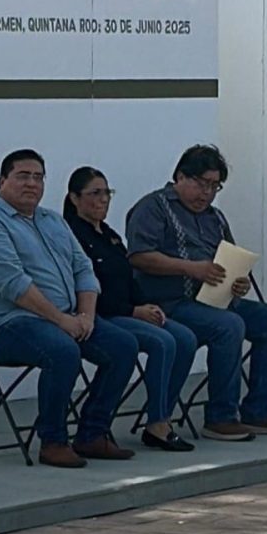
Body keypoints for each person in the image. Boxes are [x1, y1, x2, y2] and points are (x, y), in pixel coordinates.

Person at [126, 144, 267, 440]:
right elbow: (139, 256)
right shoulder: (153, 208)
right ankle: (220, 415)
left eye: (214, 186)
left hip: (216, 298)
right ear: (180, 177)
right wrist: (189, 268)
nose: (206, 193)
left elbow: (229, 258)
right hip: (169, 302)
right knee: (229, 326)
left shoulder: (215, 217)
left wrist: (239, 281)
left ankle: (260, 409)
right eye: (200, 183)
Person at [0, 149, 138, 469]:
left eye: (38, 177)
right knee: (62, 351)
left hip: (66, 317)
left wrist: (86, 315)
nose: (32, 183)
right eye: (23, 176)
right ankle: (53, 441)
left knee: (123, 345)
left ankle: (92, 433)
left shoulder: (52, 220)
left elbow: (84, 269)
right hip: (7, 323)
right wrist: (62, 319)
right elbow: (13, 285)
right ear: (2, 181)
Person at [64, 166, 197, 452]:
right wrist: (133, 311)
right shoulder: (72, 235)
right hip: (103, 314)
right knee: (162, 342)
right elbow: (88, 289)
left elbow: (127, 277)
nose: (103, 200)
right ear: (74, 198)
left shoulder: (109, 235)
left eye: (107, 193)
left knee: (185, 338)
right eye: (94, 194)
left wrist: (145, 305)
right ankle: (157, 424)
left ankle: (162, 414)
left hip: (129, 309)